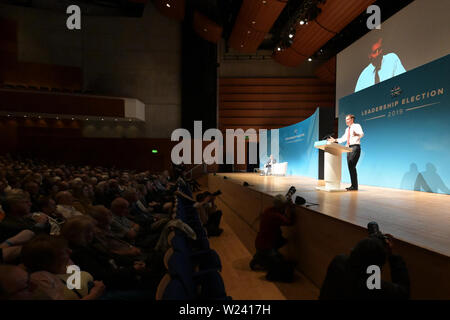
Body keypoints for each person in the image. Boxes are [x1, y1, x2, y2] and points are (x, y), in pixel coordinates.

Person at [319, 235, 410, 300]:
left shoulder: (338, 261)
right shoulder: (373, 286)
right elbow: (403, 293)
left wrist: (372, 241)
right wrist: (392, 257)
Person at [249, 194, 295, 282]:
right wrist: (291, 208)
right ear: (282, 207)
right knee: (278, 263)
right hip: (266, 246)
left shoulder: (268, 210)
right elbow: (290, 222)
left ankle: (262, 256)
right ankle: (259, 259)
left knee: (281, 244)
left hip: (261, 243)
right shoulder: (276, 216)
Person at [328, 114, 364, 191]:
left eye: (347, 119)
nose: (346, 121)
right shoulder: (347, 129)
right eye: (346, 120)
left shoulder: (357, 126)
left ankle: (354, 186)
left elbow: (361, 134)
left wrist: (356, 134)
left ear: (352, 119)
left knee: (352, 165)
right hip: (348, 148)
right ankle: (354, 186)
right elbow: (343, 138)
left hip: (355, 147)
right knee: (350, 167)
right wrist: (335, 140)